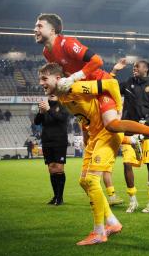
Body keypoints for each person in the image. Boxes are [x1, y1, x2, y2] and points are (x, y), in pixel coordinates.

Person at [34, 13, 149, 153]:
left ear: (52, 30)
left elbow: (97, 61)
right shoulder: (46, 52)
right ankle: (132, 141)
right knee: (92, 134)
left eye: (39, 26)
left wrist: (73, 78)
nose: (35, 30)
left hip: (100, 84)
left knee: (111, 125)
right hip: (84, 91)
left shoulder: (68, 43)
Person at [39, 62, 123, 246]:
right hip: (94, 137)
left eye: (44, 78)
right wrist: (86, 135)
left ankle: (99, 232)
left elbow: (110, 84)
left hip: (107, 133)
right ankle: (113, 223)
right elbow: (83, 117)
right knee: (84, 182)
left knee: (92, 180)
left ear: (58, 79)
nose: (41, 83)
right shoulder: (62, 98)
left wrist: (117, 110)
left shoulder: (76, 87)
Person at [111, 58, 149, 214]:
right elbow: (110, 86)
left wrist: (146, 122)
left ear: (146, 69)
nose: (134, 68)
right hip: (129, 131)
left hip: (148, 131)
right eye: (133, 67)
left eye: (137, 66)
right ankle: (132, 200)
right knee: (127, 163)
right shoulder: (128, 83)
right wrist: (115, 71)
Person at [34, 94, 69, 205]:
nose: (51, 94)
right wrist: (40, 112)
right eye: (50, 94)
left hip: (59, 141)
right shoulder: (44, 106)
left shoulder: (64, 105)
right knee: (51, 168)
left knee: (59, 167)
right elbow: (36, 122)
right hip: (47, 141)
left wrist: (48, 110)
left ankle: (60, 198)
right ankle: (55, 196)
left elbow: (61, 118)